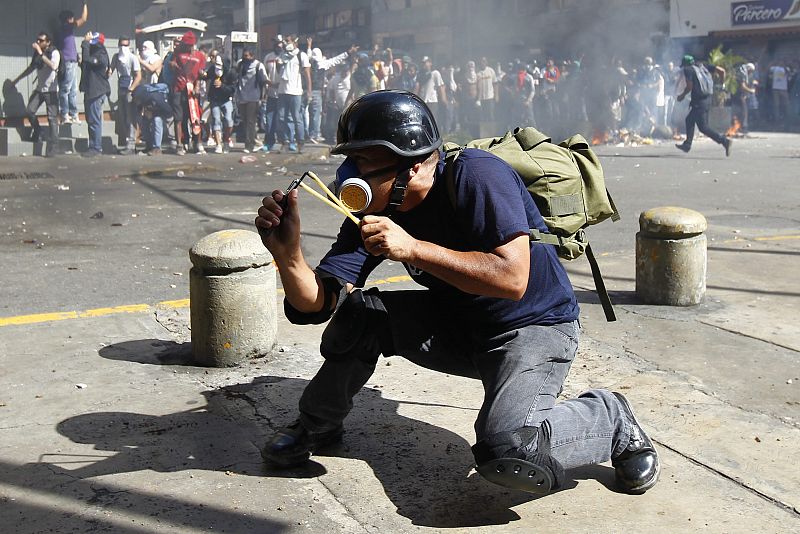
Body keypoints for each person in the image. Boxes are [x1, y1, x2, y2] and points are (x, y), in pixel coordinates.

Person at [254, 89, 660, 497]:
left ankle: (610, 418)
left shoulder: (479, 176)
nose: (347, 175)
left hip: (531, 326)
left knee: (509, 450)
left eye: (362, 162)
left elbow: (512, 278)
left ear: (410, 167)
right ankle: (317, 424)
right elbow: (320, 302)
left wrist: (413, 248)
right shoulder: (377, 210)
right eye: (348, 160)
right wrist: (289, 256)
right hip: (459, 323)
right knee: (361, 316)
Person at [10, 32, 61, 157]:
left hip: (51, 91)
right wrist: (17, 79)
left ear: (48, 42)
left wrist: (40, 53)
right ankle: (39, 132)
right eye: (37, 40)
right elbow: (31, 68)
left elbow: (54, 66)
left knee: (52, 119)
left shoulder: (54, 52)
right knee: (29, 111)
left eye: (41, 40)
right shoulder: (38, 54)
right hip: (40, 90)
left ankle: (53, 147)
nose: (38, 42)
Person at [675, 54, 732, 156]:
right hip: (707, 99)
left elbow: (689, 86)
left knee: (703, 127)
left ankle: (724, 141)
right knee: (689, 120)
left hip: (699, 101)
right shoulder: (703, 66)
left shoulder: (688, 69)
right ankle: (687, 145)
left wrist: (682, 95)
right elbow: (722, 71)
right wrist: (722, 85)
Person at [169, 31, 206, 155]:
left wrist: (197, 86)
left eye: (190, 44)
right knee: (179, 118)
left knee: (195, 116)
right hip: (179, 88)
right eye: (186, 44)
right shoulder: (177, 52)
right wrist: (173, 65)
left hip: (192, 90)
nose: (188, 46)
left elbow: (200, 73)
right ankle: (181, 144)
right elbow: (171, 64)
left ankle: (198, 143)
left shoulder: (200, 56)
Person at [79, 31, 110, 158]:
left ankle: (96, 147)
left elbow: (88, 60)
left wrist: (85, 43)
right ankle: (93, 146)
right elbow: (87, 64)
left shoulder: (101, 55)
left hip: (97, 92)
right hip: (91, 91)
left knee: (94, 121)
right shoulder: (94, 54)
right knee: (90, 120)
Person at [57, 2, 88, 124]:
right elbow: (84, 18)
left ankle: (73, 114)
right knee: (66, 89)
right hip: (69, 62)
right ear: (69, 20)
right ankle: (65, 113)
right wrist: (85, 3)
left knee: (72, 90)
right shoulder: (67, 27)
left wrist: (77, 56)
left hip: (71, 61)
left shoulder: (63, 31)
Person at [110, 36, 142, 155]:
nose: (123, 48)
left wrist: (131, 88)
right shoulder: (116, 57)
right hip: (121, 88)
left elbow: (138, 76)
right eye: (121, 45)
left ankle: (131, 144)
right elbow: (110, 70)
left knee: (130, 117)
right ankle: (127, 142)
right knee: (122, 116)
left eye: (126, 45)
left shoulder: (132, 58)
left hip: (129, 89)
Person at [236, 48, 268, 153]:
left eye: (247, 56)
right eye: (244, 56)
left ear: (252, 56)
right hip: (242, 96)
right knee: (245, 122)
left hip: (253, 97)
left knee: (251, 121)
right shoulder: (240, 65)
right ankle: (256, 141)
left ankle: (249, 144)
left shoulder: (258, 66)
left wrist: (263, 97)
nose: (245, 58)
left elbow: (264, 81)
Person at [131, 82, 171, 155]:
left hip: (160, 111)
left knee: (157, 121)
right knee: (143, 122)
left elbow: (168, 111)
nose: (137, 102)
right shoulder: (140, 96)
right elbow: (139, 110)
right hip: (150, 111)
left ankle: (157, 148)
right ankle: (149, 145)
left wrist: (153, 112)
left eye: (137, 100)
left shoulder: (156, 97)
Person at [207, 55, 236, 153]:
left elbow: (232, 89)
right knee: (216, 120)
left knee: (228, 120)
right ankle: (218, 144)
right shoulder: (212, 70)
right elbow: (206, 76)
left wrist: (222, 86)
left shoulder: (231, 73)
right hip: (214, 99)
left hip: (227, 99)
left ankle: (226, 140)